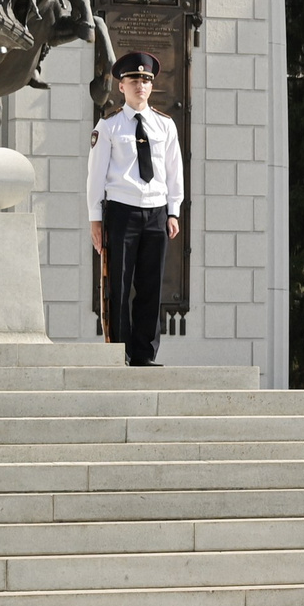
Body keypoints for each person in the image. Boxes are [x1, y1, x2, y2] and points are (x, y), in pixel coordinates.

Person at [85, 49, 183, 367]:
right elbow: (96, 175)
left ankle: (144, 354)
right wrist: (95, 219)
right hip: (121, 211)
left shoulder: (165, 125)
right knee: (120, 284)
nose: (140, 84)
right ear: (121, 86)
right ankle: (120, 351)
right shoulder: (110, 125)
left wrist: (173, 211)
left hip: (155, 211)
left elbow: (173, 170)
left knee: (150, 287)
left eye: (146, 79)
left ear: (151, 86)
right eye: (134, 79)